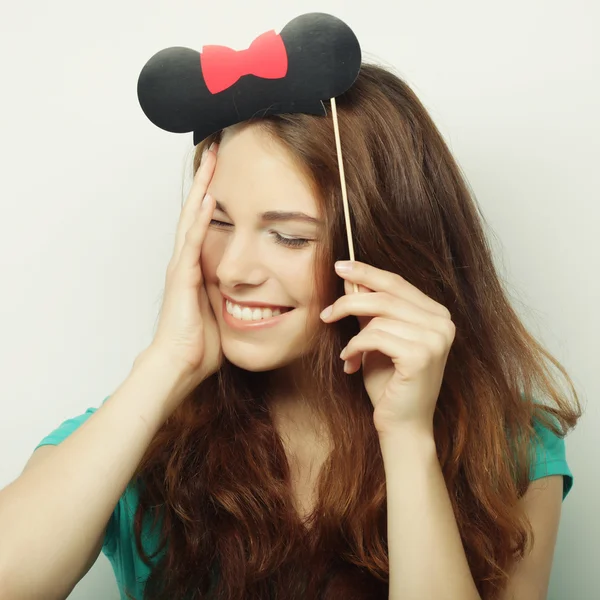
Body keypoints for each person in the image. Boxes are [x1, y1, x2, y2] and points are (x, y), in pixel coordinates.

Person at [0, 63, 581, 600]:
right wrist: (167, 364)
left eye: (290, 236)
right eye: (219, 223)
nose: (232, 271)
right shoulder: (133, 432)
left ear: (387, 246)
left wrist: (407, 438)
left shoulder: (512, 450)